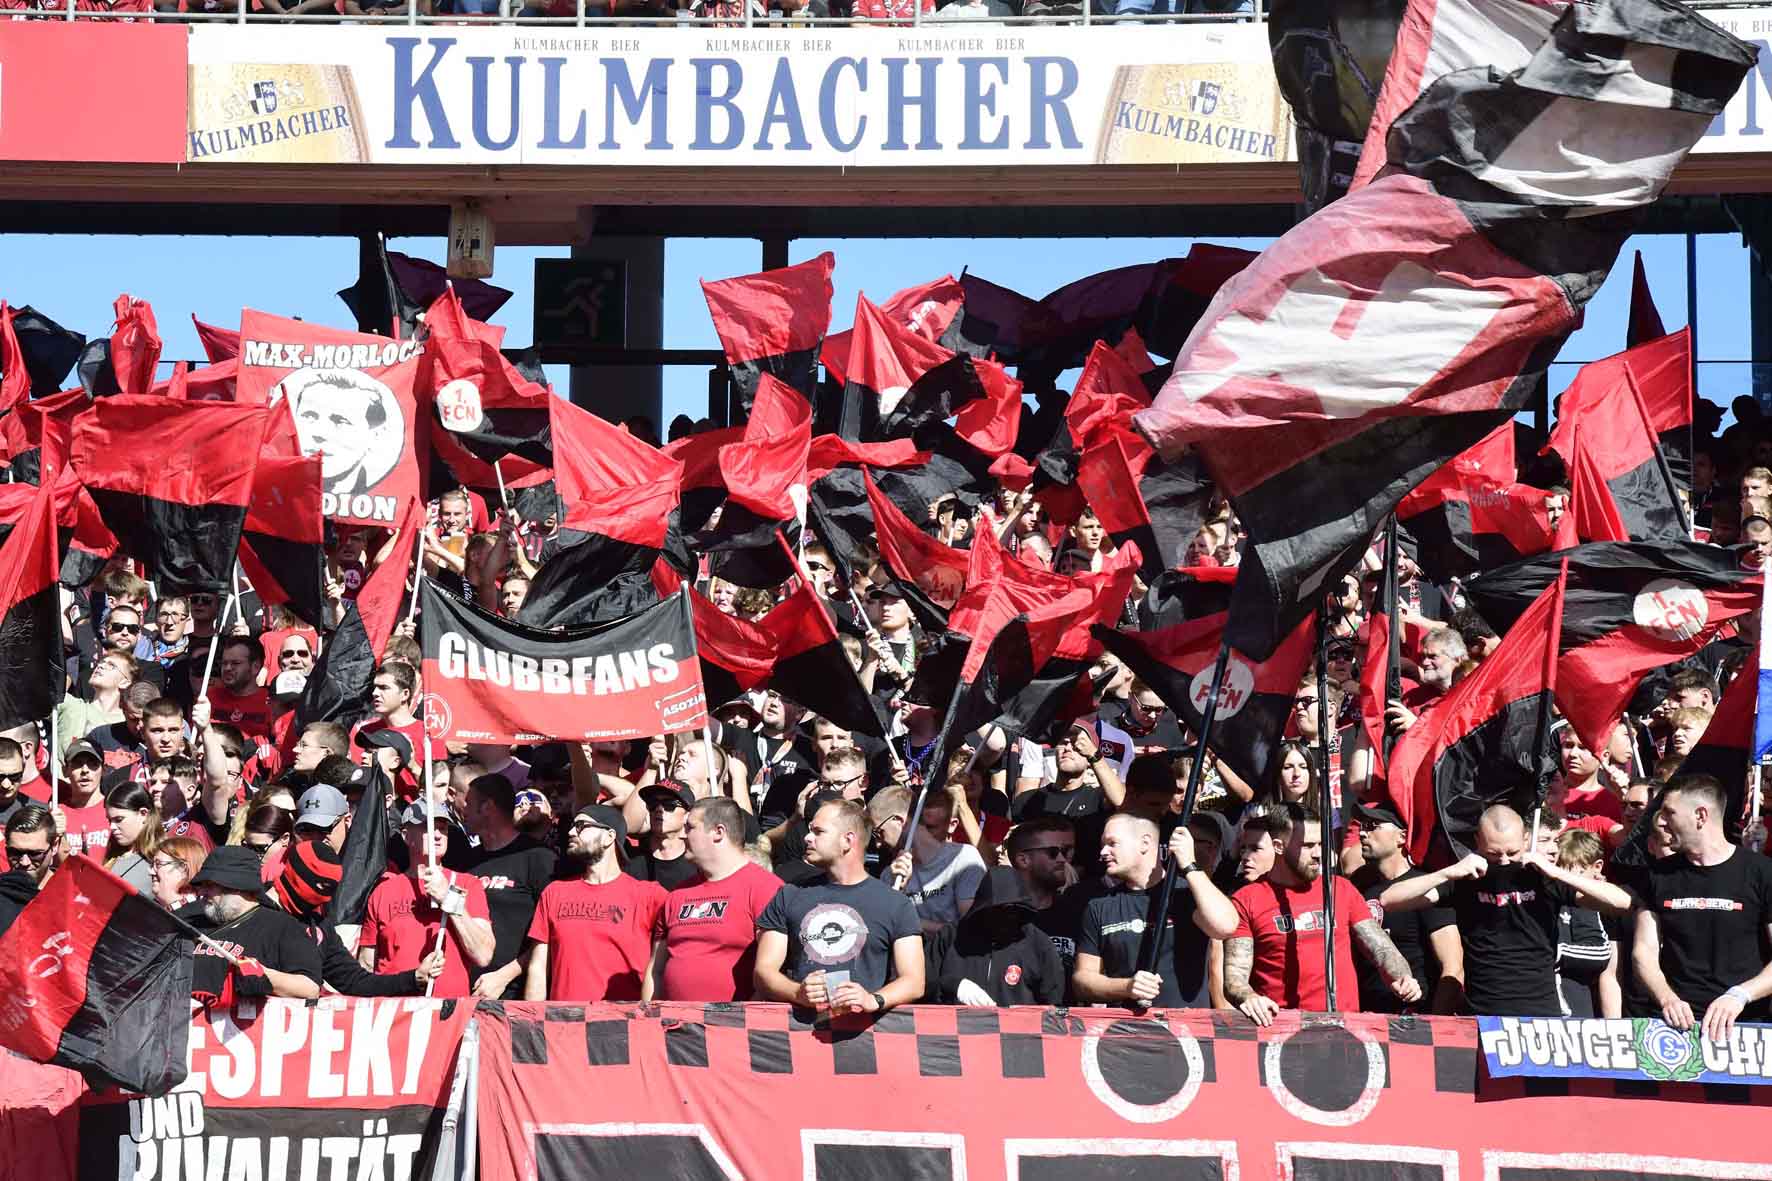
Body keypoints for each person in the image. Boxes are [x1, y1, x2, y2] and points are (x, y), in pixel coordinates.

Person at [1380, 804, 1632, 1017]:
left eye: (1512, 852)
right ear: (1477, 842)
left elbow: (1622, 903)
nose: (1503, 861)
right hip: (1484, 1014)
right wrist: (1447, 872)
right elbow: (1389, 899)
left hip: (1540, 1014)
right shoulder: (1465, 880)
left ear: (1525, 840)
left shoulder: (1543, 878)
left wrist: (1556, 873)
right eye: (1493, 853)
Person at [1227, 805, 1422, 1024]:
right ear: (1278, 846)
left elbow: (1381, 948)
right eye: (1308, 845)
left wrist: (1402, 977)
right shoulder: (1247, 899)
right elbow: (1234, 976)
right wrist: (1250, 997)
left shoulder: (1340, 889)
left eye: (1320, 844)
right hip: (1281, 1033)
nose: (1318, 853)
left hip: (1344, 1031)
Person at [754, 798, 925, 1015]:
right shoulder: (790, 894)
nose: (807, 837)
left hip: (866, 1039)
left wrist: (873, 999)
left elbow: (914, 981)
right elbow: (763, 972)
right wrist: (797, 992)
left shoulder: (895, 903)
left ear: (847, 840)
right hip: (799, 1037)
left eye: (818, 832)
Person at [1633, 775, 1772, 1039]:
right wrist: (1667, 999)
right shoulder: (1656, 875)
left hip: (1746, 1027)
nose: (1661, 821)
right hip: (1674, 1029)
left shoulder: (1762, 873)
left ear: (1700, 816)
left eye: (1669, 813)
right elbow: (1644, 951)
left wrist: (1740, 995)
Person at [1072, 814, 1239, 1008]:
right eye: (1103, 845)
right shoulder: (1099, 906)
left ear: (1145, 843)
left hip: (1186, 1032)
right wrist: (1126, 987)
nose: (1103, 852)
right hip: (1125, 1032)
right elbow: (1082, 980)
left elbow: (1225, 926)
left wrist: (1189, 865)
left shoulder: (1186, 895)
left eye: (1112, 843)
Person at [266, 838, 444, 997]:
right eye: (321, 886)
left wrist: (414, 978)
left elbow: (355, 981)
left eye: (331, 890)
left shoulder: (319, 927)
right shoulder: (250, 910)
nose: (324, 898)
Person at [647, 796, 783, 1002]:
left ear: (718, 832)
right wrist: (650, 1019)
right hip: (673, 1028)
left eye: (690, 827)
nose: (682, 835)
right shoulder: (677, 895)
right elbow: (655, 971)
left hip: (733, 1028)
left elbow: (770, 976)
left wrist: (740, 1026)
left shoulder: (767, 889)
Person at [526, 804, 666, 1001]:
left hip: (623, 1025)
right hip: (564, 1024)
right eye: (573, 826)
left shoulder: (650, 895)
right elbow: (538, 966)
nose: (571, 831)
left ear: (609, 836)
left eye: (582, 825)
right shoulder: (555, 892)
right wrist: (533, 1023)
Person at [359, 804, 496, 998]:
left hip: (448, 1016)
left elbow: (483, 955)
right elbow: (367, 963)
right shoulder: (383, 891)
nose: (438, 835)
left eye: (443, 828)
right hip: (395, 1013)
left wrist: (449, 899)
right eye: (428, 828)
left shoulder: (468, 884)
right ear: (406, 835)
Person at [1350, 801, 1463, 1014]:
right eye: (1362, 826)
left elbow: (1453, 968)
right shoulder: (1357, 884)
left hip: (1413, 1018)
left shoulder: (1426, 888)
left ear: (1402, 837)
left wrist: (1436, 1023)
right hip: (1364, 1017)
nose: (1363, 834)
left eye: (1373, 826)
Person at [458, 772, 558, 999]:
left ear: (487, 807)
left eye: (469, 804)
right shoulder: (465, 861)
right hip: (465, 991)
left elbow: (552, 932)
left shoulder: (538, 858)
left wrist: (504, 976)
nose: (463, 811)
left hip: (515, 993)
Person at [187, 846, 323, 1002]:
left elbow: (310, 988)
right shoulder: (190, 918)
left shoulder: (282, 927)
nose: (201, 892)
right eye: (201, 886)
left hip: (238, 1024)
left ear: (237, 887)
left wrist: (265, 976)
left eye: (209, 885)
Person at [927, 866, 1066, 1006]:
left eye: (1013, 910)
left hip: (1018, 1026)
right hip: (954, 1026)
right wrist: (953, 985)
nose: (1005, 917)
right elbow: (921, 985)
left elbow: (1053, 1005)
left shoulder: (1038, 944)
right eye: (996, 911)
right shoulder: (951, 936)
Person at [888, 786, 987, 934]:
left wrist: (913, 923)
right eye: (920, 827)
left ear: (952, 825)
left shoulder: (964, 859)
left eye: (931, 828)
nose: (924, 836)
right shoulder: (893, 871)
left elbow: (973, 929)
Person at [1552, 829, 1621, 1018]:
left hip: (1576, 1011)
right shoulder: (1550, 895)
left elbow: (1599, 953)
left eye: (1571, 871)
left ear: (1597, 867)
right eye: (1558, 868)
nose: (1561, 878)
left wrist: (1551, 954)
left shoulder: (1586, 903)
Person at [1005, 817, 1081, 977]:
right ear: (1023, 860)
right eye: (1052, 853)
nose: (1062, 859)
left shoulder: (1077, 913)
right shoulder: (999, 916)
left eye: (1066, 851)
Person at [629, 779, 700, 891]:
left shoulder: (699, 865)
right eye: (653, 804)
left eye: (669, 804)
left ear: (687, 815)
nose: (659, 809)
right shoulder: (631, 859)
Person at [0, 804, 59, 936]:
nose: (24, 862)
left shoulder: (71, 897)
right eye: (15, 853)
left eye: (35, 854)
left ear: (55, 846)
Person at [102, 781, 160, 893]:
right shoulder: (113, 857)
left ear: (143, 814)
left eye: (119, 820)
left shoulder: (163, 857)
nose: (112, 827)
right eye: (110, 820)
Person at [150, 836, 207, 911]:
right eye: (152, 864)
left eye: (158, 864)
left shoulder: (196, 918)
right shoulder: (155, 911)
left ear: (183, 868)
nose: (151, 871)